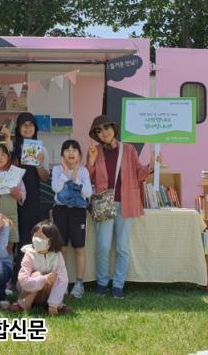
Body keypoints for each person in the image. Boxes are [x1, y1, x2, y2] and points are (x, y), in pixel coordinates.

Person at [87, 115, 155, 299]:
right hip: (103, 203)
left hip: (126, 203)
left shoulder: (129, 149)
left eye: (106, 128)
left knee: (122, 247)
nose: (104, 133)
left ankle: (118, 285)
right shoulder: (95, 151)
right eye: (99, 130)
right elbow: (89, 177)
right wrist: (91, 161)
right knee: (103, 246)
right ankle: (102, 283)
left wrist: (150, 166)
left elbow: (139, 174)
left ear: (114, 129)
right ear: (96, 135)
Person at [51, 139, 93, 299]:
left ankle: (79, 284)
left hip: (78, 212)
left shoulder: (83, 171)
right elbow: (55, 188)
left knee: (79, 248)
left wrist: (75, 178)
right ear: (62, 154)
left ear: (79, 155)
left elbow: (88, 193)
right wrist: (64, 173)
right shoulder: (57, 169)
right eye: (67, 150)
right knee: (61, 248)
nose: (71, 152)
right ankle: (61, 283)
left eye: (74, 150)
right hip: (60, 211)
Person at [8, 220, 71, 315]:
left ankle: (55, 304)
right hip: (29, 290)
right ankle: (22, 304)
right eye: (35, 235)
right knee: (37, 274)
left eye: (40, 236)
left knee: (57, 277)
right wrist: (44, 279)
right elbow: (23, 280)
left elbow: (63, 280)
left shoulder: (57, 255)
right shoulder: (29, 254)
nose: (36, 239)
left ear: (50, 240)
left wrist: (54, 303)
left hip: (48, 291)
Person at [13, 112, 50, 246]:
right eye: (24, 125)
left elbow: (44, 177)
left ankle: (31, 258)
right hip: (14, 195)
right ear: (18, 128)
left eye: (31, 125)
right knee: (14, 232)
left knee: (31, 231)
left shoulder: (42, 150)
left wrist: (39, 165)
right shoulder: (12, 148)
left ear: (35, 128)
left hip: (33, 196)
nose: (27, 128)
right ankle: (17, 259)